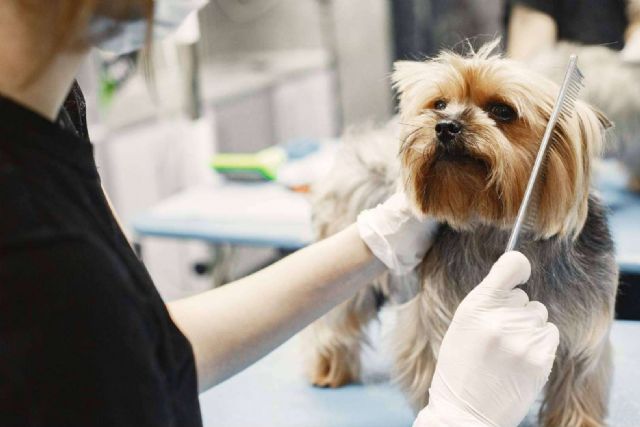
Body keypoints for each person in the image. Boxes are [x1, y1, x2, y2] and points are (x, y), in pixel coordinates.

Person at [0, 1, 559, 426]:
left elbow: (143, 347)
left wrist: (376, 239)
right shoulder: (33, 237)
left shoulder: (54, 113)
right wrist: (458, 417)